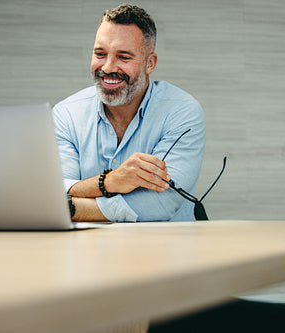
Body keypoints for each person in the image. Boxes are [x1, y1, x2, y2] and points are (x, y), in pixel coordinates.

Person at [53, 4, 206, 222]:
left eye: (123, 57)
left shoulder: (182, 113)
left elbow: (159, 203)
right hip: (86, 251)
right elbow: (54, 189)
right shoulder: (65, 114)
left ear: (150, 63)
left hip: (164, 250)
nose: (107, 67)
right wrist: (108, 182)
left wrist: (71, 208)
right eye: (100, 53)